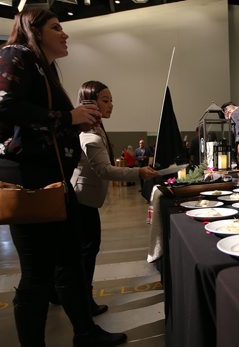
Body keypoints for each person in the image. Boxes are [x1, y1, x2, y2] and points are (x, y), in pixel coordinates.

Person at [0, 8, 126, 346]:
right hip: (29, 183)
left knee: (69, 265)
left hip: (54, 181)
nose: (65, 34)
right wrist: (66, 116)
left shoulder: (42, 67)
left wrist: (74, 121)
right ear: (32, 29)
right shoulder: (13, 55)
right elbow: (1, 106)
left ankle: (85, 332)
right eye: (56, 27)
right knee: (37, 275)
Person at [71, 81, 158, 317]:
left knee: (86, 250)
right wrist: (138, 172)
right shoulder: (89, 133)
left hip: (87, 200)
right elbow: (105, 170)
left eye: (111, 100)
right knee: (87, 251)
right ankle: (83, 300)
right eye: (105, 100)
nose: (111, 105)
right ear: (89, 102)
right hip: (82, 202)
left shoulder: (96, 128)